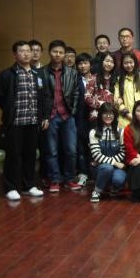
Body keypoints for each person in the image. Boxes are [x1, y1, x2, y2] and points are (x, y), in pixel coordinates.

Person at [0, 40, 45, 201]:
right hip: (15, 122)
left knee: (30, 155)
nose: (26, 54)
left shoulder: (37, 74)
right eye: (22, 51)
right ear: (15, 54)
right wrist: (9, 110)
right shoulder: (7, 74)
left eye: (28, 51)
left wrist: (42, 116)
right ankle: (11, 187)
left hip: (33, 121)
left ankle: (29, 185)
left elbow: (43, 97)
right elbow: (0, 95)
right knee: (13, 156)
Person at [37, 39, 80, 193]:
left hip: (67, 116)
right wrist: (43, 117)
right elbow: (39, 97)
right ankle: (54, 180)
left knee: (71, 150)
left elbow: (76, 93)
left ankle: (69, 179)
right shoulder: (41, 73)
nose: (58, 54)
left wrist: (72, 111)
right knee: (51, 151)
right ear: (49, 53)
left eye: (61, 52)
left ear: (64, 54)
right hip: (50, 117)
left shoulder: (72, 72)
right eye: (55, 51)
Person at [88, 103, 126, 203]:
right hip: (100, 167)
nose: (108, 116)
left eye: (111, 113)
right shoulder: (93, 132)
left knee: (119, 179)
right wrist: (115, 163)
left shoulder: (121, 132)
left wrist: (114, 164)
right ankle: (97, 191)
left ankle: (112, 188)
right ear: (100, 115)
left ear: (115, 115)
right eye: (105, 113)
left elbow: (123, 152)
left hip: (116, 167)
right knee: (107, 168)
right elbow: (96, 155)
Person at [114, 52, 140, 129]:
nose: (129, 65)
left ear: (135, 63)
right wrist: (129, 116)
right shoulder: (119, 80)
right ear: (122, 65)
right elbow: (117, 102)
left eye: (131, 62)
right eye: (125, 63)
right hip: (124, 121)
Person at [74, 52, 93, 187]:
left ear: (90, 64)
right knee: (81, 148)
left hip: (94, 118)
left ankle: (93, 174)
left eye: (85, 63)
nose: (82, 66)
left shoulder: (96, 79)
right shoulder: (75, 79)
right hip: (79, 117)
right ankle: (83, 173)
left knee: (94, 146)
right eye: (80, 63)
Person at [84, 52, 117, 124]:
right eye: (107, 61)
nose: (109, 64)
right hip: (97, 116)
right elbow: (87, 98)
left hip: (112, 117)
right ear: (102, 62)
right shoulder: (93, 78)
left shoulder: (116, 79)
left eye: (112, 62)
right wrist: (101, 104)